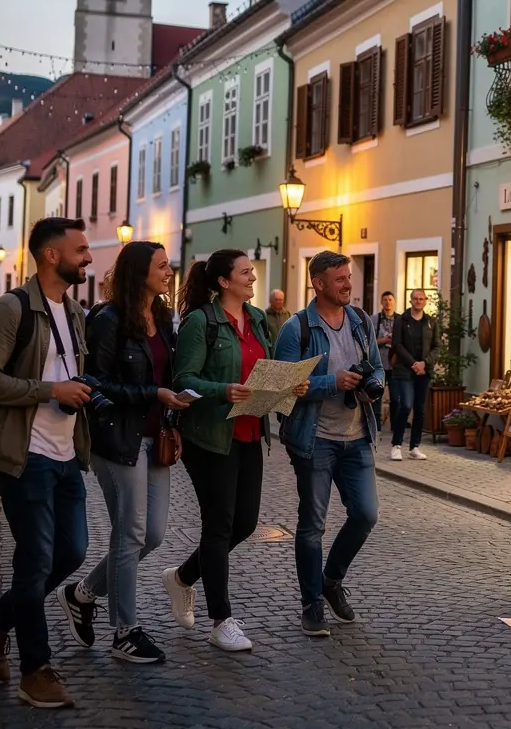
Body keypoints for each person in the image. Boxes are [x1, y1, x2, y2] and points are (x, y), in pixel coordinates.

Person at [0, 217, 93, 709]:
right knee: (36, 558)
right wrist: (49, 391)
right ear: (50, 256)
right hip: (23, 454)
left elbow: (69, 371)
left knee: (71, 553)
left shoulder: (74, 311)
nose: (87, 256)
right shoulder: (9, 308)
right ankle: (35, 670)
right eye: (79, 249)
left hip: (65, 453)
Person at [162, 249, 307, 652]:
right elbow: (184, 380)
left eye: (252, 271)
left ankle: (181, 577)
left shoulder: (258, 319)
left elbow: (266, 368)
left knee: (244, 523)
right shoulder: (199, 322)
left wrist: (290, 385)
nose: (252, 277)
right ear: (224, 282)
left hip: (249, 431)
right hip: (209, 438)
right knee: (219, 524)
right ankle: (221, 620)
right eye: (245, 272)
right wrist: (221, 390)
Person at [60, 241, 184, 664]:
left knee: (151, 535)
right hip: (117, 440)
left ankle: (83, 593)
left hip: (156, 439)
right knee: (129, 534)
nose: (169, 272)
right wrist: (154, 393)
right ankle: (125, 632)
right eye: (162, 266)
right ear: (139, 272)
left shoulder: (164, 317)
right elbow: (94, 381)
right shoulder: (108, 318)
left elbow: (169, 369)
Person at [274, 250, 382, 637]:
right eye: (340, 280)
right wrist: (330, 383)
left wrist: (375, 387)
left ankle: (331, 580)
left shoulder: (360, 321)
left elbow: (377, 364)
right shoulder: (296, 328)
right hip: (314, 439)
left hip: (357, 436)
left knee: (366, 514)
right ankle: (312, 604)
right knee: (312, 525)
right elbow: (281, 387)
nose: (348, 285)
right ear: (318, 284)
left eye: (348, 278)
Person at [389, 289, 439, 461]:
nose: (418, 301)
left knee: (420, 409)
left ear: (425, 301)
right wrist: (413, 364)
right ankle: (396, 445)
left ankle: (414, 447)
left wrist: (424, 363)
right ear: (410, 301)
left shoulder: (431, 321)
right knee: (406, 405)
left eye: (421, 299)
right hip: (405, 370)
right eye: (415, 299)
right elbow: (397, 344)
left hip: (424, 371)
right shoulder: (401, 321)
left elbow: (437, 346)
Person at [374, 291, 398, 428]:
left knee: (395, 397)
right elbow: (370, 342)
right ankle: (376, 426)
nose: (388, 302)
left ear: (394, 302)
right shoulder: (375, 320)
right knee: (377, 396)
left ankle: (395, 426)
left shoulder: (400, 320)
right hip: (379, 363)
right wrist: (384, 340)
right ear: (381, 302)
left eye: (390, 299)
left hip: (394, 363)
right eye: (385, 300)